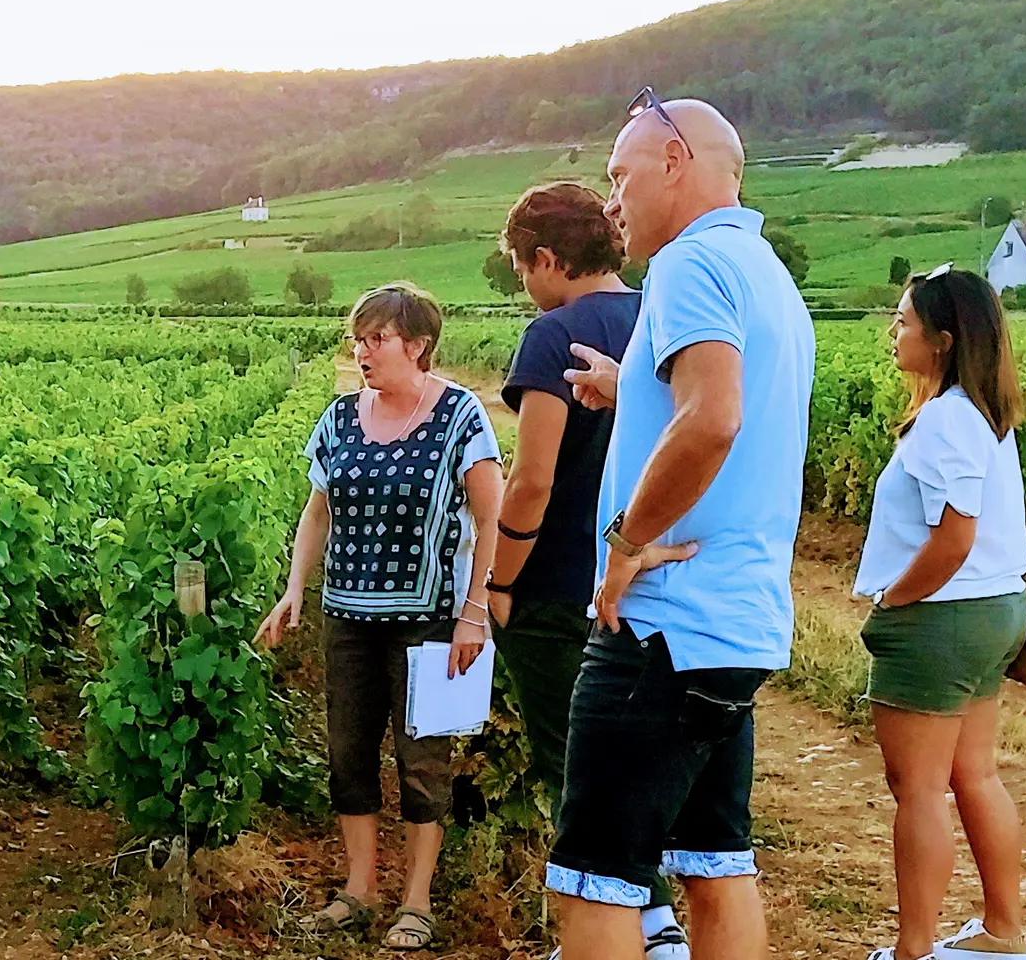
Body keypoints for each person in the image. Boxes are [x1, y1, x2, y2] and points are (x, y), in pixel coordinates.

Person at [547, 94, 814, 960]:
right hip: (736, 622)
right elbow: (728, 413)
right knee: (714, 861)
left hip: (663, 620)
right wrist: (631, 394)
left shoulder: (687, 266)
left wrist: (624, 543)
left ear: (674, 160)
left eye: (620, 175)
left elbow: (711, 420)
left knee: (596, 879)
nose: (611, 202)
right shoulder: (764, 273)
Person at [255, 281, 504, 952]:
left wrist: (473, 614)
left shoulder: (458, 416)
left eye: (376, 339)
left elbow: (490, 519)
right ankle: (358, 889)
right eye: (357, 339)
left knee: (422, 761)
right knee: (347, 755)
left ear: (417, 345)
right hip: (348, 618)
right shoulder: (338, 417)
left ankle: (415, 902)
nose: (362, 351)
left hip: (428, 620)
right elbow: (318, 510)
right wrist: (294, 589)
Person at [486, 184, 688, 959]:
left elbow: (531, 479)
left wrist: (498, 582)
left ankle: (625, 928)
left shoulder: (553, 336)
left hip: (560, 581)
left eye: (520, 266)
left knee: (573, 765)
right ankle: (655, 919)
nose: (523, 283)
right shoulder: (658, 317)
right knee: (633, 756)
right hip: (645, 575)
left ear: (545, 257)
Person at [854, 268, 1026, 960]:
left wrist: (894, 599)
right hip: (994, 612)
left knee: (918, 790)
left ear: (942, 341)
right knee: (973, 774)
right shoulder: (985, 414)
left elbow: (951, 537)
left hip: (940, 619)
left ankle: (912, 951)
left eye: (903, 321)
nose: (892, 332)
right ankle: (1001, 931)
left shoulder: (942, 421)